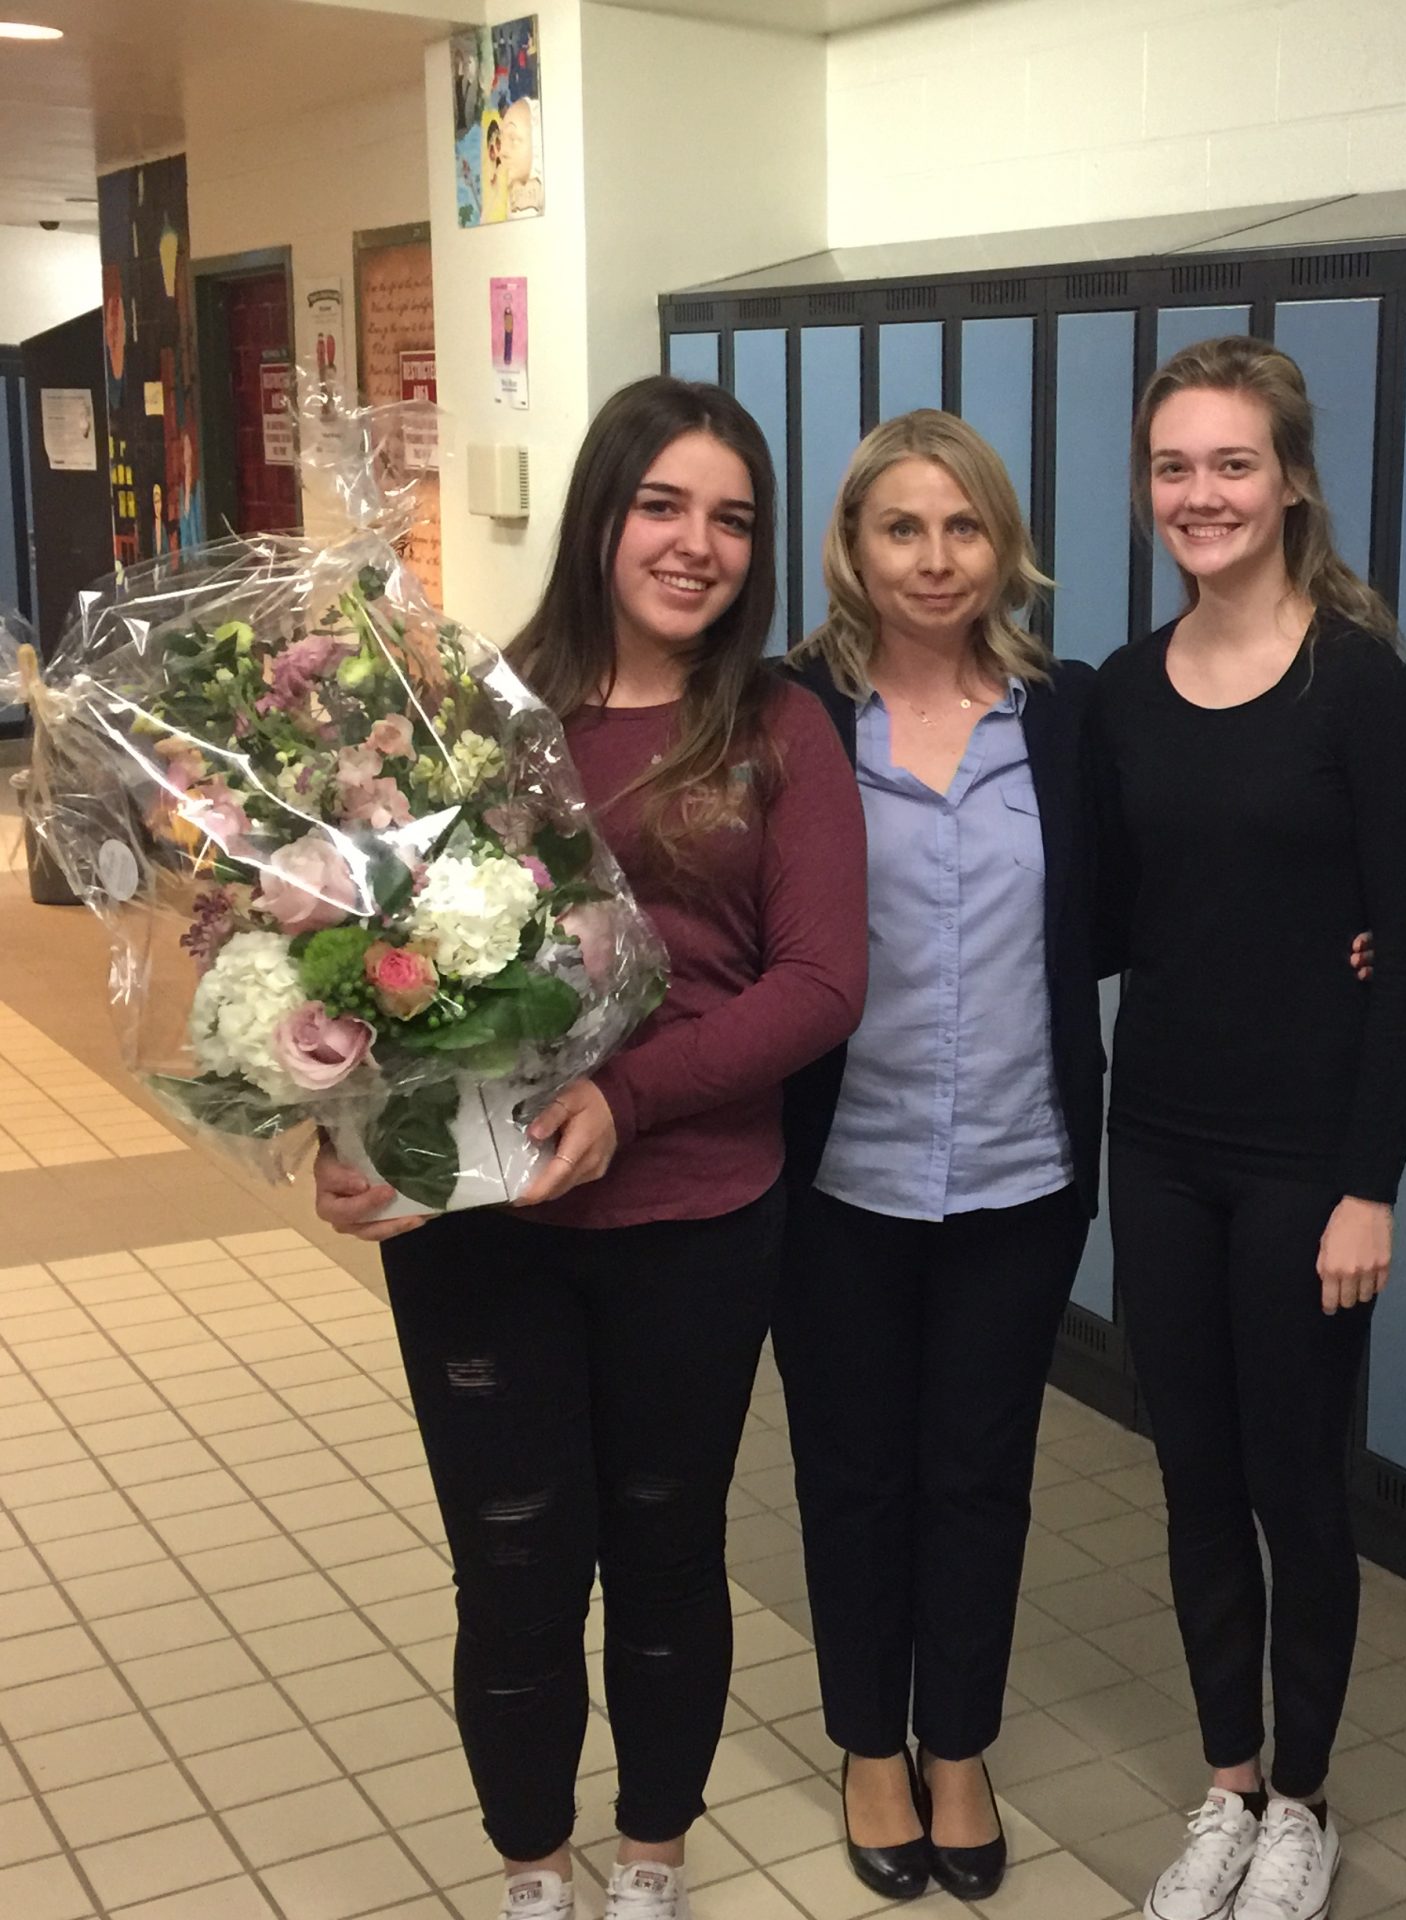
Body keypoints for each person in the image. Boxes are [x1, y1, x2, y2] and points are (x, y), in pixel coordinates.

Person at [311, 376, 869, 1920]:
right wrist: (351, 1131)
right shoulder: (472, 714)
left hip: (697, 1216)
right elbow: (363, 958)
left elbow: (823, 984)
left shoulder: (778, 730)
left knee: (669, 1551)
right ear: (601, 516)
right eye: (663, 505)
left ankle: (651, 1861)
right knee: (511, 1568)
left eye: (733, 519)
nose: (698, 544)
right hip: (486, 1229)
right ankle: (535, 1873)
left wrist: (632, 1098)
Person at [1094, 336, 1406, 1920]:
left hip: (1306, 1162)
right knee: (1191, 1479)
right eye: (1174, 467)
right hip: (1159, 1144)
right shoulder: (1122, 690)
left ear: (1290, 479)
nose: (1201, 494)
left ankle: (1304, 1801)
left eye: (1233, 463)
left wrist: (1370, 1186)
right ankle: (1227, 1783)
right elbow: (1109, 922)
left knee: (1295, 1486)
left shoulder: (1353, 682)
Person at [771, 410, 1101, 1906]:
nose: (935, 558)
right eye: (901, 527)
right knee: (853, 1475)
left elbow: (1146, 891)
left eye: (964, 526)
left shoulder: (1066, 719)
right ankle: (869, 1745)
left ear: (1003, 544)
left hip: (1020, 1170)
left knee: (980, 1474)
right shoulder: (789, 714)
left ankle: (956, 1745)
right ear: (851, 544)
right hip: (839, 1170)